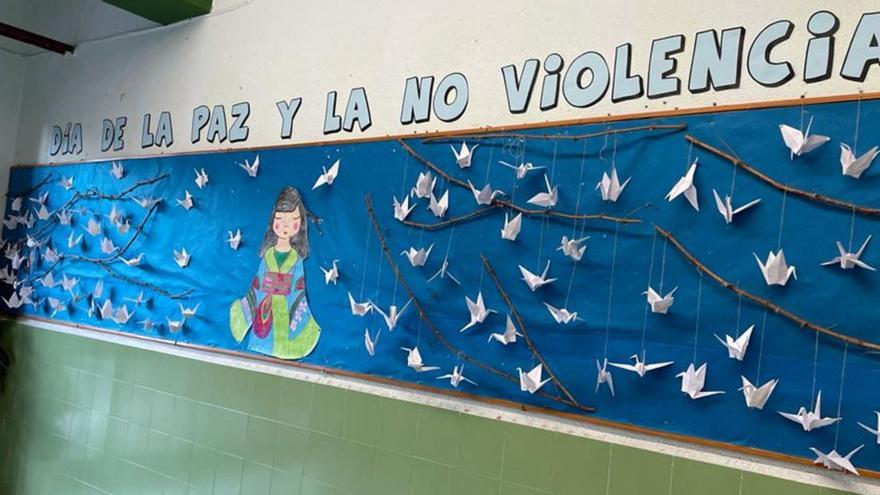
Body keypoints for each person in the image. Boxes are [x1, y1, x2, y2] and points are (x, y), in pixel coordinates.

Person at [229, 187, 320, 359]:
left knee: (289, 330)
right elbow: (256, 286)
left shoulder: (296, 259)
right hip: (266, 307)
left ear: (300, 224)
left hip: (286, 306)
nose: (285, 225)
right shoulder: (268, 255)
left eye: (292, 220)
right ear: (273, 222)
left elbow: (299, 290)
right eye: (280, 219)